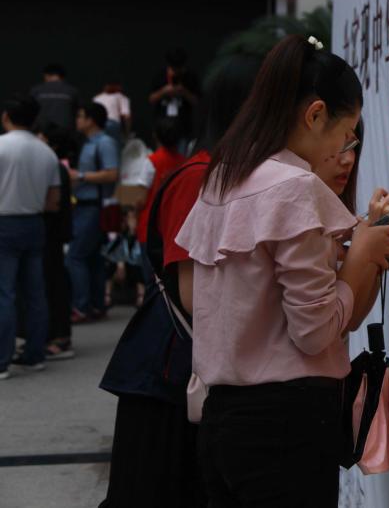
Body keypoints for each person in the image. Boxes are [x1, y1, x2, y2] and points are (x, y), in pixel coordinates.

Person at [175, 35, 389, 506]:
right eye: (346, 134)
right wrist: (360, 256)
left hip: (220, 421)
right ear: (315, 115)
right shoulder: (294, 187)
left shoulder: (224, 177)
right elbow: (314, 333)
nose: (345, 151)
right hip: (285, 426)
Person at [99, 54, 263, 508]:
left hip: (186, 365)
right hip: (169, 371)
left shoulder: (225, 175)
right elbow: (194, 297)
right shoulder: (199, 178)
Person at [0, 94, 61, 380]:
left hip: (4, 222)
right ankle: (35, 354)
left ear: (6, 117)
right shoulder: (46, 152)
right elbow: (53, 202)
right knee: (35, 292)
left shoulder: (1, 146)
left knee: (4, 293)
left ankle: (2, 360)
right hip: (35, 223)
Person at [67, 102, 120, 322]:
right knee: (94, 257)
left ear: (91, 120)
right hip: (85, 204)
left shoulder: (104, 142)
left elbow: (112, 174)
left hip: (94, 206)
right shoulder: (88, 142)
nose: (77, 120)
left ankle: (81, 307)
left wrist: (80, 176)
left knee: (75, 256)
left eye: (80, 116)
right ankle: (97, 304)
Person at [36, 122, 75, 360]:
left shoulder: (54, 166)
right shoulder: (56, 165)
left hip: (51, 232)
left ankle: (59, 337)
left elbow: (53, 204)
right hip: (54, 232)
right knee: (52, 282)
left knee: (53, 283)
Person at [136, 118, 186, 250]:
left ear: (156, 136)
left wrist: (132, 214)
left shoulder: (152, 161)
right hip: (175, 226)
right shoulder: (184, 162)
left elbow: (141, 199)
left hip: (150, 225)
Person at [148, 49, 200, 150]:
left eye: (179, 68)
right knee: (162, 154)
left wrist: (184, 92)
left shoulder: (190, 77)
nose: (176, 72)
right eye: (173, 68)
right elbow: (151, 99)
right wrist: (164, 91)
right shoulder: (160, 76)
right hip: (162, 124)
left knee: (180, 155)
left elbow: (197, 101)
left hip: (182, 125)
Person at [30, 63, 80, 130]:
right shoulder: (72, 91)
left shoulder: (36, 90)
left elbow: (29, 111)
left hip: (40, 131)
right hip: (65, 131)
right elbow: (77, 111)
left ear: (46, 75)